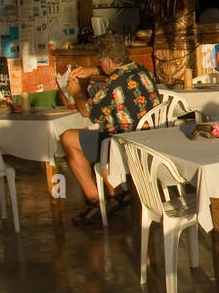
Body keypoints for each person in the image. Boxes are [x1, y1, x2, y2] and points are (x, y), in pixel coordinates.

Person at [59, 34, 159, 226]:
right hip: (150, 139)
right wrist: (92, 70)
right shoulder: (140, 68)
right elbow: (116, 72)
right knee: (103, 133)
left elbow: (87, 111)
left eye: (100, 60)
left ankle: (96, 200)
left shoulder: (112, 85)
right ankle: (117, 194)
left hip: (124, 146)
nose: (99, 63)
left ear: (107, 60)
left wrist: (76, 92)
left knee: (68, 138)